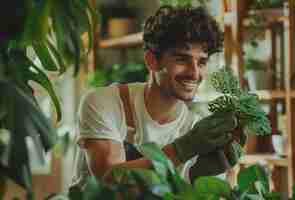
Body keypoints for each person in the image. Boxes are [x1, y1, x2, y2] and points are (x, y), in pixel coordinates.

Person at [71, 5, 240, 187]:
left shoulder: (196, 128)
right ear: (151, 61)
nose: (194, 73)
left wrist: (199, 175)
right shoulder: (105, 103)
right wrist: (182, 150)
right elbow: (110, 179)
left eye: (202, 62)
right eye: (182, 59)